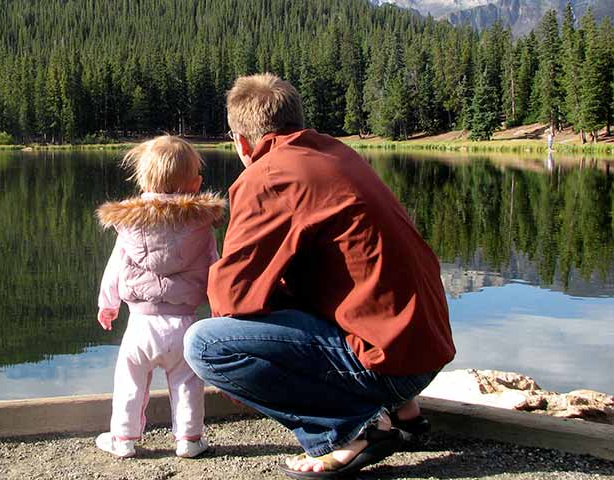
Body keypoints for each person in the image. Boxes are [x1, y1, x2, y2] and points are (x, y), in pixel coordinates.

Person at [184, 74, 455, 478]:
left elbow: (234, 299)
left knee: (206, 346)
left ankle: (349, 431)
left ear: (241, 142)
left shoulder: (267, 176)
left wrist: (247, 379)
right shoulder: (335, 153)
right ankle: (403, 413)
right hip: (423, 351)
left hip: (387, 363)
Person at [94, 135, 226, 459]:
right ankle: (189, 439)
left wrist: (108, 304)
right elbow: (216, 269)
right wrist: (220, 312)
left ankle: (123, 439)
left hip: (140, 323)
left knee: (129, 381)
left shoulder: (129, 226)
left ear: (142, 182)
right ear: (195, 184)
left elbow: (115, 268)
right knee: (186, 381)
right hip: (183, 322)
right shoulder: (202, 226)